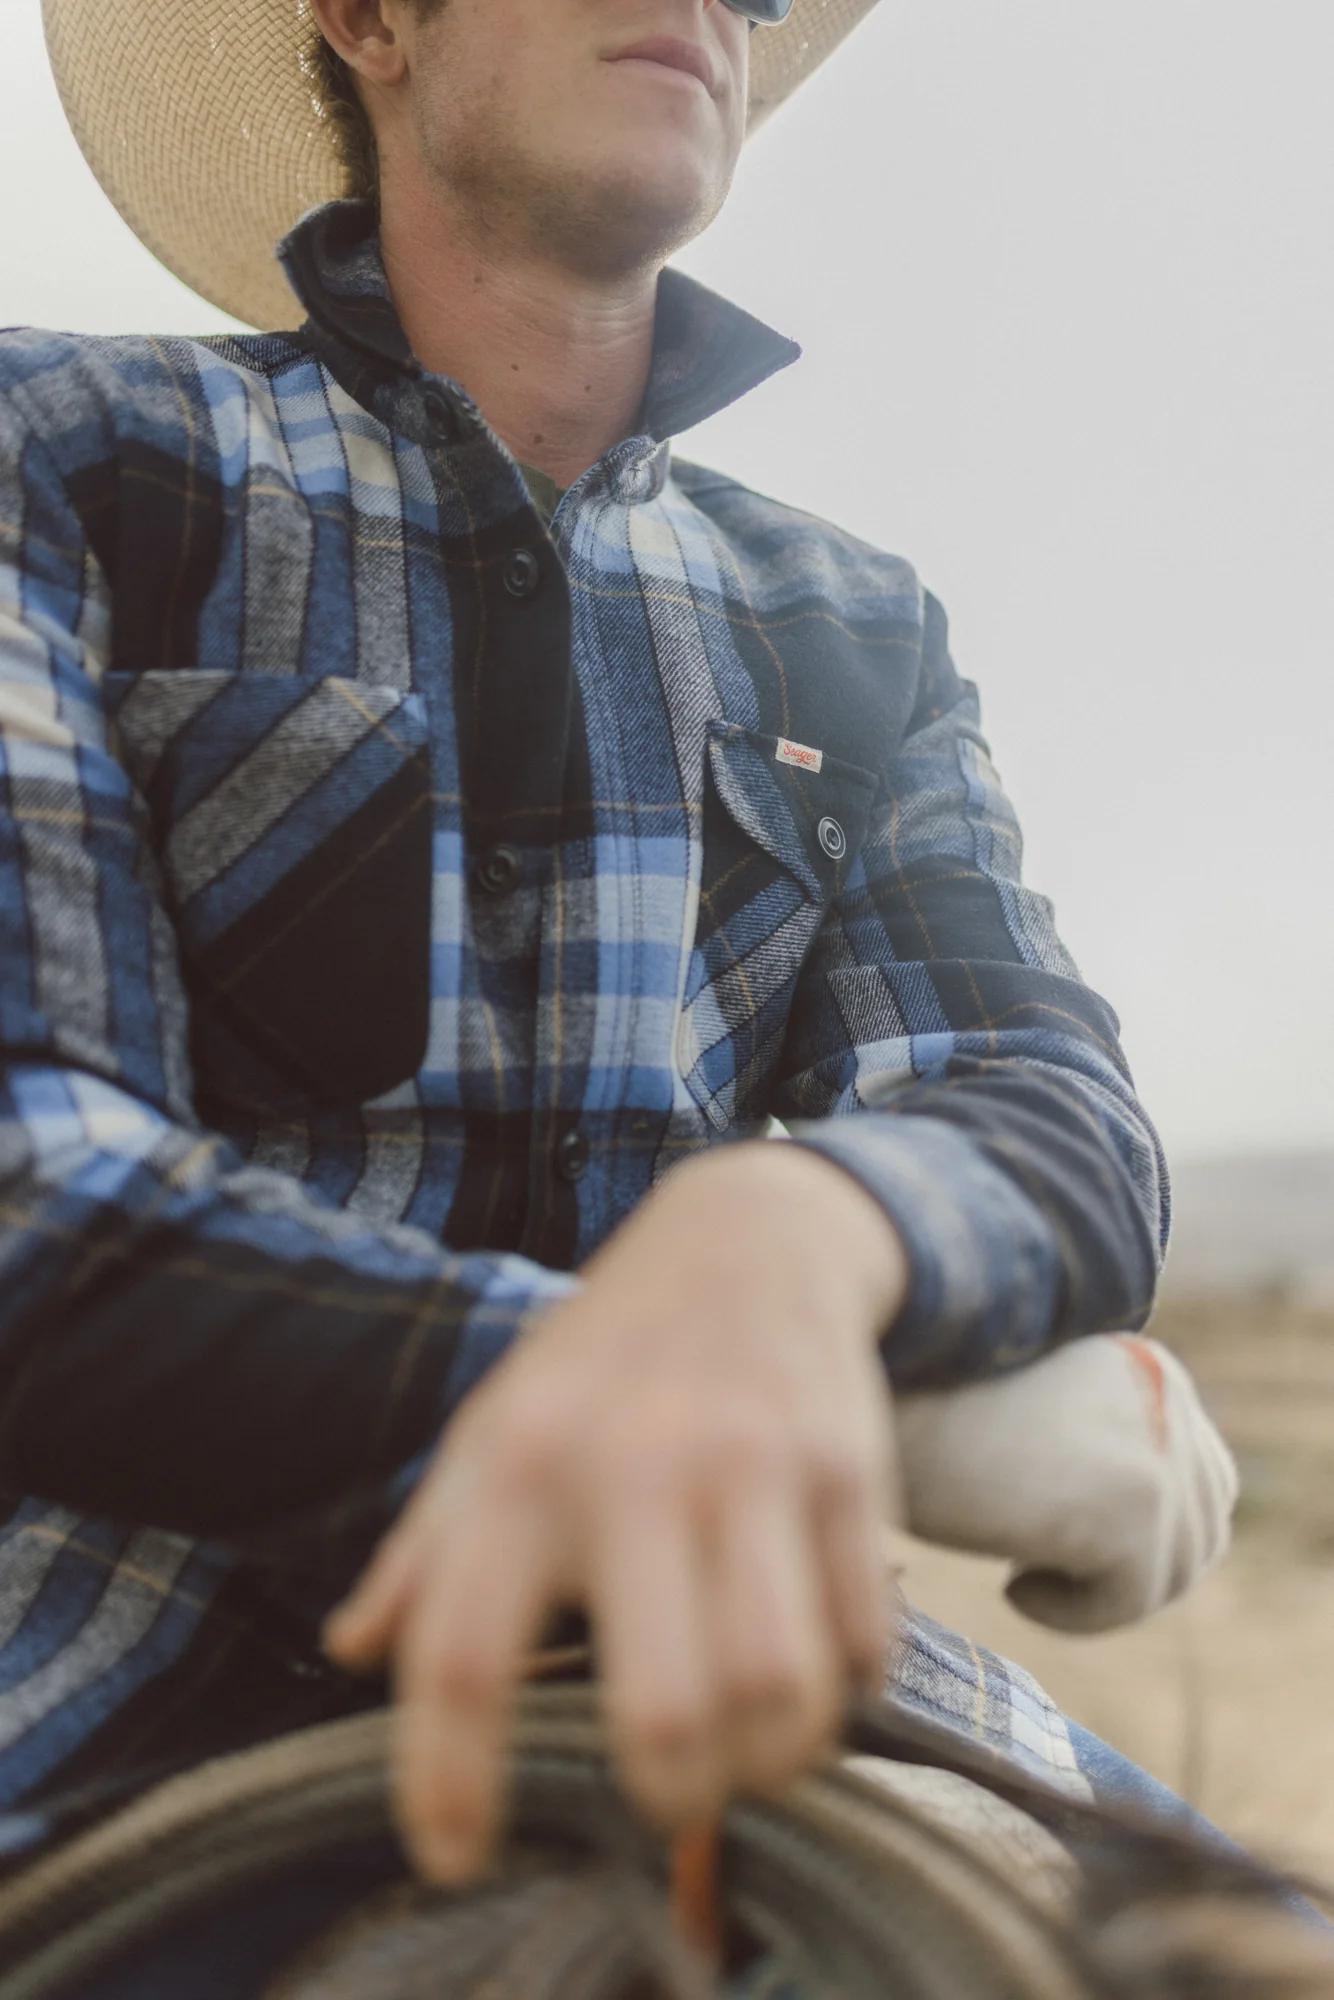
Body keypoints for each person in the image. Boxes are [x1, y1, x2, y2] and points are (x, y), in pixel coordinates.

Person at [0, 0, 1223, 1892]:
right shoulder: (66, 460)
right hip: (123, 1676)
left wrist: (802, 1234)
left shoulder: (847, 622)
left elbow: (1042, 1094)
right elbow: (28, 1188)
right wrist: (750, 1404)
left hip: (767, 1673)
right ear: (369, 16)